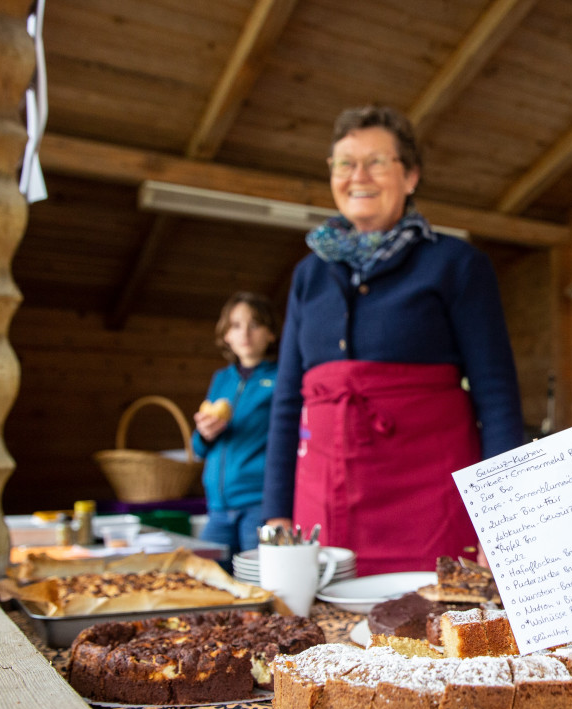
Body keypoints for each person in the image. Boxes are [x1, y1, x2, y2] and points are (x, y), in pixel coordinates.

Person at [263, 104, 524, 576]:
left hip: (430, 507)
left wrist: (501, 522)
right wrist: (275, 514)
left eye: (377, 161)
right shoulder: (307, 276)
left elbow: (497, 396)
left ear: (411, 177)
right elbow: (286, 401)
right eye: (345, 163)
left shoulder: (457, 265)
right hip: (322, 508)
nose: (357, 175)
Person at [193, 292, 280, 561]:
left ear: (270, 334)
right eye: (236, 325)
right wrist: (205, 434)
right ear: (226, 335)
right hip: (218, 506)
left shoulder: (280, 379)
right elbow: (198, 448)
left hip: (258, 503)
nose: (245, 333)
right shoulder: (222, 380)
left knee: (260, 581)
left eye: (254, 324)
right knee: (207, 578)